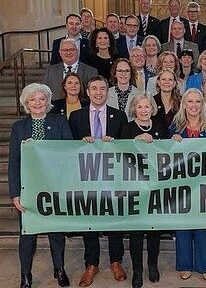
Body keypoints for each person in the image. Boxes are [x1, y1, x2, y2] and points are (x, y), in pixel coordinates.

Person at [8, 83, 72, 288]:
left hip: (54, 187)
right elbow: (14, 162)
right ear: (26, 103)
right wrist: (15, 193)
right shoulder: (19, 127)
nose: (38, 103)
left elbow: (69, 153)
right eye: (33, 99)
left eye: (42, 99)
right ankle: (25, 275)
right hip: (28, 190)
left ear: (48, 102)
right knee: (28, 235)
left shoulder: (60, 121)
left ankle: (59, 268)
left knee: (56, 232)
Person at [68, 75, 128, 287]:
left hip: (113, 180)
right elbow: (67, 148)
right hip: (87, 180)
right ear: (87, 91)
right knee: (89, 221)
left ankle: (115, 261)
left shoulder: (119, 116)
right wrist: (80, 144)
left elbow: (127, 149)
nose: (99, 92)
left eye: (103, 88)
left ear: (107, 91)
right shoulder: (76, 117)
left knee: (114, 220)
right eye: (94, 88)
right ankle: (91, 263)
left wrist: (116, 144)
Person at [169, 88, 206, 282]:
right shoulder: (175, 128)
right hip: (182, 186)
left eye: (198, 102)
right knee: (183, 226)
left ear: (202, 105)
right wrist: (171, 143)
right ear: (184, 104)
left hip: (204, 186)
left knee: (203, 227)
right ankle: (184, 264)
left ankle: (205, 265)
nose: (194, 105)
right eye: (190, 102)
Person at [120, 93, 167, 288]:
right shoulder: (127, 128)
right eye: (140, 107)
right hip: (135, 188)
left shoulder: (160, 127)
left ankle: (153, 265)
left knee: (154, 231)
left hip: (156, 187)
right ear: (134, 109)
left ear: (152, 109)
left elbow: (169, 152)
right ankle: (137, 270)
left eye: (147, 106)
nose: (144, 110)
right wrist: (135, 140)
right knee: (137, 233)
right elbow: (119, 153)